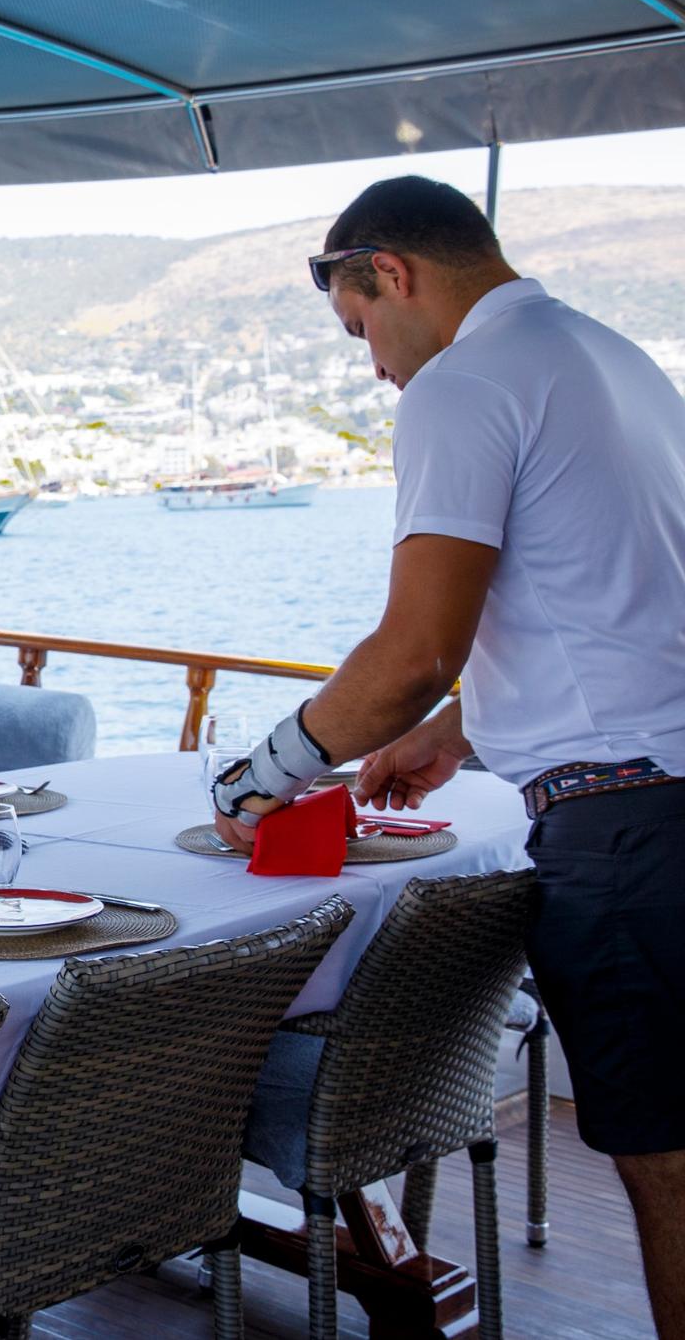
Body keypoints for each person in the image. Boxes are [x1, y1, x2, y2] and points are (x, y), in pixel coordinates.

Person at [209, 175, 685, 1334]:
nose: (374, 366)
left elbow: (410, 653)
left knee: (667, 1168)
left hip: (623, 825)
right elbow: (622, 604)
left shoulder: (459, 383)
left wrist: (251, 780)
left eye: (360, 327)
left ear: (390, 274)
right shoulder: (616, 361)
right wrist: (458, 733)